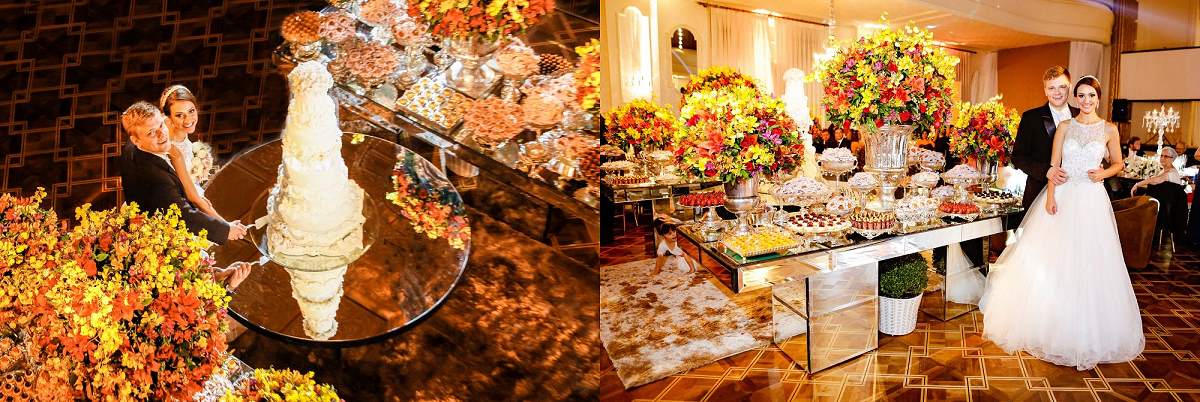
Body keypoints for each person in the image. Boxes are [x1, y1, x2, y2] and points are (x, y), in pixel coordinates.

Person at [979, 76, 1144, 370]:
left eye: (1091, 95)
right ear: (1075, 97)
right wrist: (1051, 196)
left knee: (1090, 261)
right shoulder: (1066, 126)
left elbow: (1119, 163)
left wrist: (1103, 174)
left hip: (1092, 200)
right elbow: (1055, 165)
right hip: (1063, 196)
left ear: (1098, 97)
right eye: (1081, 95)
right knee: (1054, 259)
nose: (1086, 100)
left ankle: (1085, 327)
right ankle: (1049, 321)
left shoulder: (1109, 129)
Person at [118, 101, 246, 245]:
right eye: (151, 132)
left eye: (161, 125)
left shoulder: (134, 143)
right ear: (136, 141)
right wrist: (226, 230)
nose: (162, 134)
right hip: (157, 233)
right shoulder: (155, 179)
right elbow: (185, 216)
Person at [1012, 66, 1081, 211]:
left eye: (1062, 87)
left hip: (1075, 194)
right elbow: (1018, 157)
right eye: (1051, 88)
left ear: (1070, 87)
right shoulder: (1031, 118)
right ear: (1045, 90)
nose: (1057, 92)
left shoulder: (1081, 115)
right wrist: (1046, 171)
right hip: (1039, 193)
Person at [160, 85, 223, 220]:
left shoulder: (180, 135)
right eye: (179, 115)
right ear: (168, 117)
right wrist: (225, 225)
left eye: (191, 111)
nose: (188, 120)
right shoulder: (165, 143)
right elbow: (191, 195)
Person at [1133, 147, 1188, 242]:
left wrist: (1137, 184)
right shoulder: (1164, 170)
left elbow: (1156, 180)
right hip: (1161, 207)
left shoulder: (1171, 172)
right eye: (1161, 156)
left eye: (1166, 156)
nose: (1162, 158)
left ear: (1172, 159)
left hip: (1168, 212)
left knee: (1139, 204)